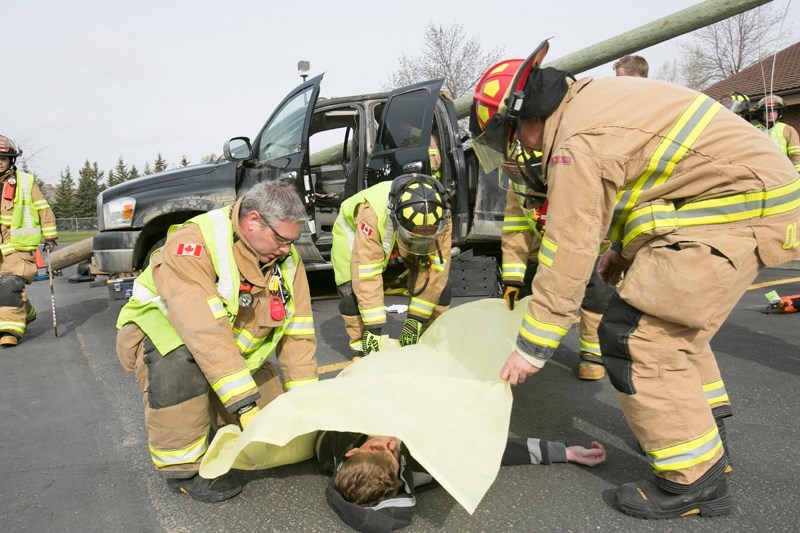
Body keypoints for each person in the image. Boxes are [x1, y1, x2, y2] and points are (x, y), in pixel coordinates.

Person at [470, 40, 800, 519]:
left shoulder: (575, 143)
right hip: (741, 205)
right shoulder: (591, 105)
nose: (518, 153)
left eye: (510, 139)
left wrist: (533, 346)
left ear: (527, 116)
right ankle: (704, 435)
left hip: (734, 212)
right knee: (674, 329)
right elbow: (660, 180)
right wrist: (623, 253)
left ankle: (693, 481)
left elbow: (568, 245)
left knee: (640, 337)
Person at [115, 180, 318, 503]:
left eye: (292, 240)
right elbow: (203, 332)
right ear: (253, 221)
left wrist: (309, 408)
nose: (286, 249)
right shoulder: (194, 243)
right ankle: (182, 467)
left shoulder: (286, 258)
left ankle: (209, 414)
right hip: (168, 337)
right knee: (178, 364)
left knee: (280, 437)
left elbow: (298, 334)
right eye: (281, 239)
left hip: (229, 355)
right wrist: (244, 403)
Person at [317, 430, 606, 531]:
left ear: (353, 451)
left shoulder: (333, 444)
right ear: (399, 475)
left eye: (378, 448)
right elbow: (488, 449)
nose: (390, 443)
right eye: (392, 456)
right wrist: (563, 452)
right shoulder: (419, 462)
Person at [500, 150, 613, 380]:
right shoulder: (519, 186)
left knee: (596, 294)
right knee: (533, 290)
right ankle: (528, 345)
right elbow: (516, 229)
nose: (517, 178)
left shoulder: (576, 182)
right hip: (546, 245)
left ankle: (592, 354)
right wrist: (512, 279)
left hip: (590, 246)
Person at [331, 174, 451, 357]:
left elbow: (436, 270)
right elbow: (367, 274)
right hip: (354, 233)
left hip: (402, 233)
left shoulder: (441, 216)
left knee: (440, 286)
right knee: (351, 292)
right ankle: (363, 348)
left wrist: (415, 319)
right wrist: (373, 327)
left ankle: (428, 341)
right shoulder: (371, 213)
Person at [0, 135, 57, 347]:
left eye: (3, 158)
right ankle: (27, 311)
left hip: (18, 247)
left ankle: (8, 331)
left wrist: (50, 235)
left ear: (11, 161)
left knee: (9, 284)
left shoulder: (25, 183)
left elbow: (43, 209)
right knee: (4, 289)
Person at [755, 95, 800, 174]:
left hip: (783, 173)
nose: (770, 113)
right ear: (761, 113)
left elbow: (796, 154)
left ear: (779, 112)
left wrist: (797, 173)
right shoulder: (753, 130)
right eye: (766, 110)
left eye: (773, 110)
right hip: (761, 173)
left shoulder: (788, 130)